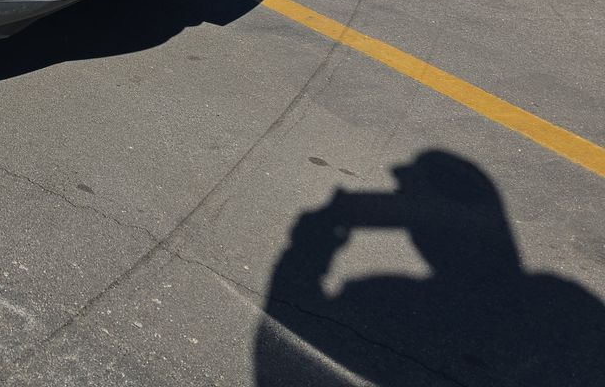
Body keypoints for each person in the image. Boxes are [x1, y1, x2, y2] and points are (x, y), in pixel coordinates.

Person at [256, 149, 605, 385]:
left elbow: (278, 356)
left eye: (407, 199)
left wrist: (308, 245)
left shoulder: (382, 299)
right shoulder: (565, 303)